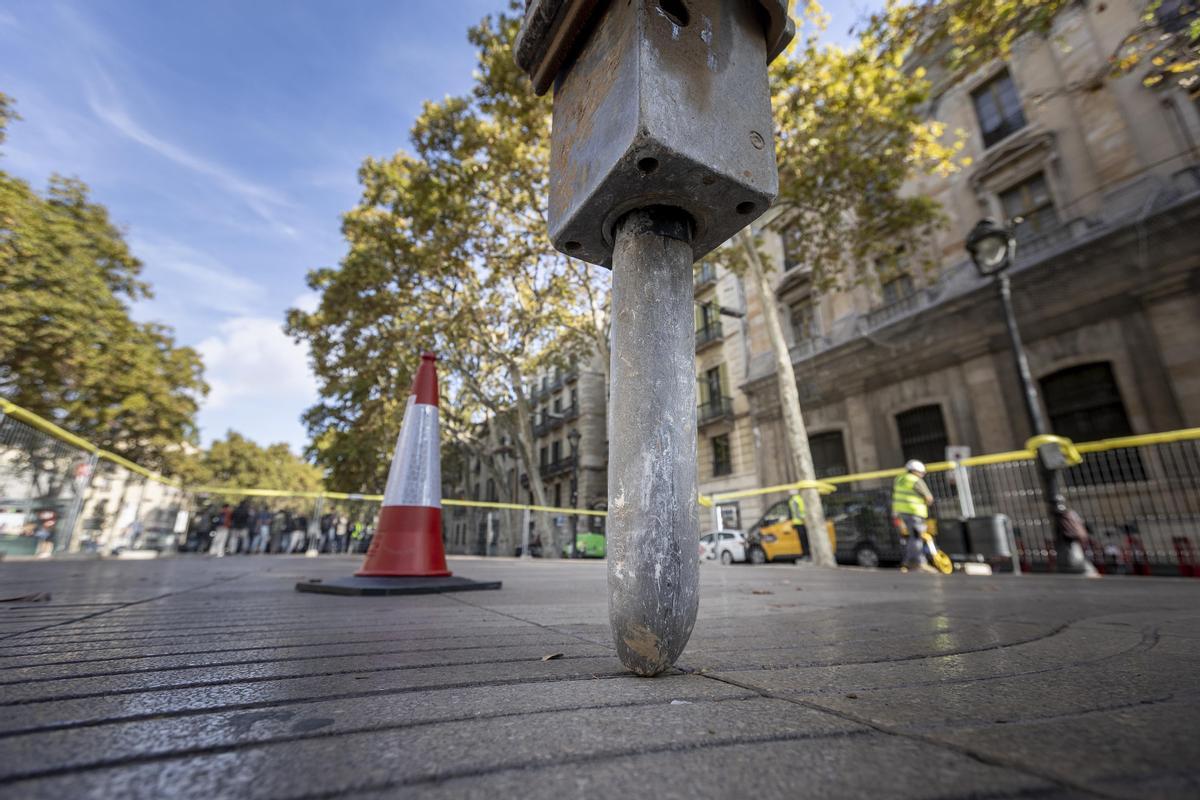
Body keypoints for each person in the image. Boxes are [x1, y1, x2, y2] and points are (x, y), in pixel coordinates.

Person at [892, 459, 937, 573]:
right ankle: (919, 563)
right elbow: (929, 498)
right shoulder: (915, 480)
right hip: (914, 512)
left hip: (901, 513)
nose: (922, 475)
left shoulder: (899, 479)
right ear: (916, 471)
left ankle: (908, 562)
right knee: (916, 537)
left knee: (910, 538)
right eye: (922, 473)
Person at [787, 492, 812, 558]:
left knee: (804, 540)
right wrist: (804, 520)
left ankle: (806, 554)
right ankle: (807, 554)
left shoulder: (793, 500)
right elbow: (797, 512)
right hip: (801, 522)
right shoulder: (797, 499)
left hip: (799, 522)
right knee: (805, 540)